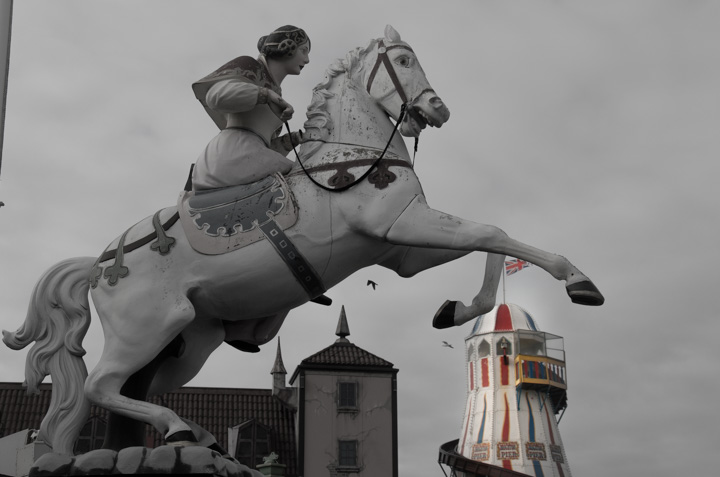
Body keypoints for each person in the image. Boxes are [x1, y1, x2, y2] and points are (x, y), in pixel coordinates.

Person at [191, 26, 310, 191]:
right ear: (287, 47)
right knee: (305, 176)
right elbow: (216, 97)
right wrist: (265, 95)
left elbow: (264, 148)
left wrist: (292, 140)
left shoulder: (277, 92)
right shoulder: (249, 66)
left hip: (247, 154)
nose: (307, 59)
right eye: (304, 51)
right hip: (230, 154)